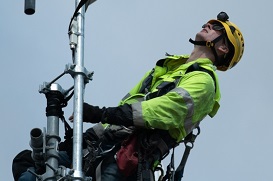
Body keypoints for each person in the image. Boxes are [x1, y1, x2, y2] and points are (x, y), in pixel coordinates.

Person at [14, 12, 244, 181]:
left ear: (223, 48)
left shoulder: (204, 82)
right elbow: (128, 105)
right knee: (27, 163)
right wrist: (85, 136)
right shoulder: (167, 67)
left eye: (215, 27)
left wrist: (100, 112)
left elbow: (162, 111)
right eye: (209, 22)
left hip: (127, 159)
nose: (207, 24)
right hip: (101, 147)